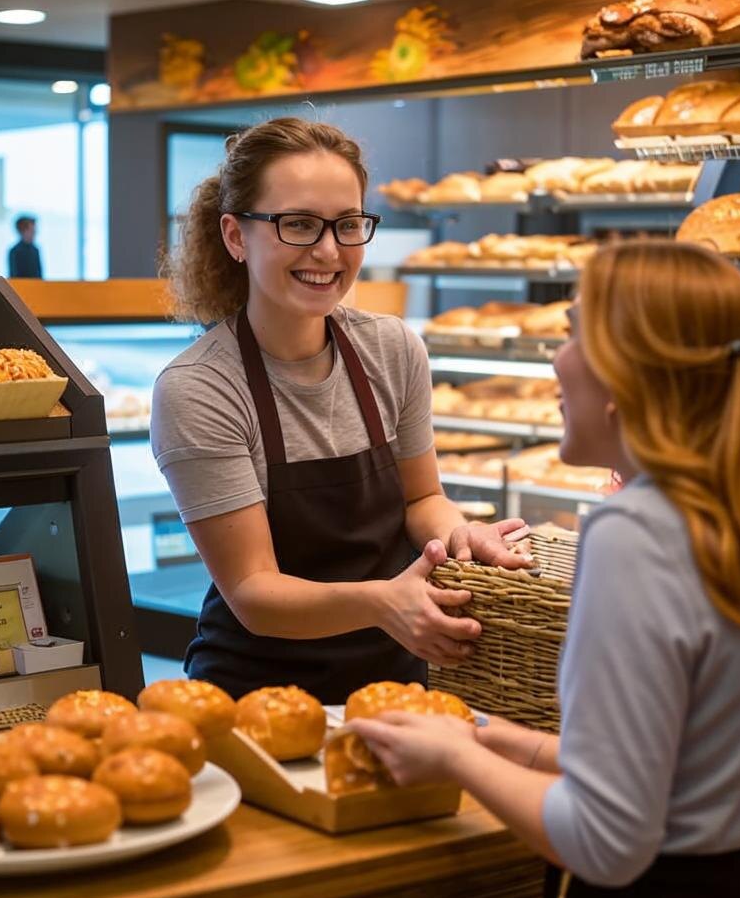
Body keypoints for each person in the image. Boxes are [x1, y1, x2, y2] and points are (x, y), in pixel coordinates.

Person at [349, 241, 740, 898]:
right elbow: (681, 766)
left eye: (577, 332)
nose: (556, 358)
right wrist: (492, 735)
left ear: (625, 377)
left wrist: (458, 758)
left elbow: (605, 840)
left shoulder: (635, 532)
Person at [151, 117, 529, 703]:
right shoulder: (201, 388)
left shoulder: (391, 347)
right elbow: (254, 592)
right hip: (257, 700)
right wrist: (384, 603)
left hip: (396, 682)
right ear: (234, 236)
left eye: (348, 225)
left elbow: (421, 500)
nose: (328, 251)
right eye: (298, 224)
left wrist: (459, 537)